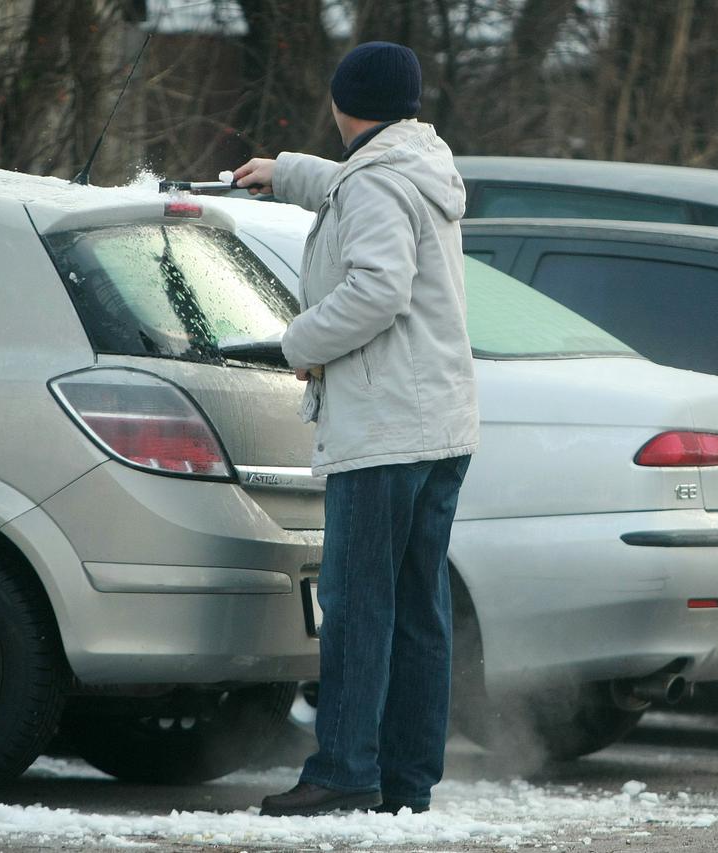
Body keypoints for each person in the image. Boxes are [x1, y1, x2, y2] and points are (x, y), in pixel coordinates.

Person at [232, 41, 479, 818]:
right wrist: (285, 169)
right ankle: (408, 782)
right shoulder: (418, 164)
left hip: (384, 428)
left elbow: (377, 289)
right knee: (416, 607)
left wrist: (298, 345)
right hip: (438, 426)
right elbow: (348, 184)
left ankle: (343, 768)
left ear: (345, 103)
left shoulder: (377, 185)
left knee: (359, 604)